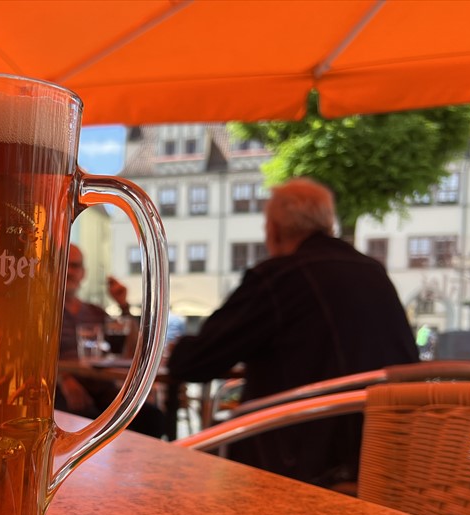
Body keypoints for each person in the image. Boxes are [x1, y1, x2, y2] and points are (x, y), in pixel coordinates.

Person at [167, 177, 418, 487]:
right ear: (327, 224)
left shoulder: (279, 277)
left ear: (273, 230)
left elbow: (193, 363)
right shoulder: (373, 271)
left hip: (304, 463)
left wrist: (179, 348)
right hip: (387, 455)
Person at [56, 243, 167, 438]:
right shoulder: (46, 311)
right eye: (64, 264)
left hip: (101, 385)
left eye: (75, 266)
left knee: (153, 418)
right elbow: (34, 356)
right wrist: (63, 378)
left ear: (83, 273)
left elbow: (133, 350)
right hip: (61, 389)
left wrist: (123, 305)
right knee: (88, 419)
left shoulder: (95, 312)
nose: (70, 271)